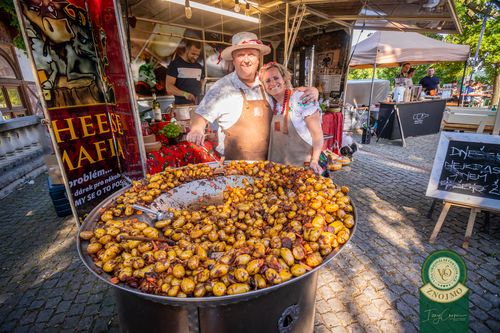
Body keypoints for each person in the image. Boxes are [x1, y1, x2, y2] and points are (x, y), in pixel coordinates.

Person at [186, 31, 318, 160]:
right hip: (236, 167)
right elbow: (202, 114)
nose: (247, 60)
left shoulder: (267, 82)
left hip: (271, 163)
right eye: (241, 55)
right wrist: (197, 129)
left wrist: (311, 90)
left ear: (258, 58)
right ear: (233, 59)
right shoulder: (222, 87)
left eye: (251, 54)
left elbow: (289, 94)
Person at [259, 62, 324, 175]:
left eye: (276, 78)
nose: (273, 83)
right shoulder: (273, 103)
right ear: (264, 85)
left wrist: (315, 160)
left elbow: (317, 134)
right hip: (279, 170)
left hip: (302, 169)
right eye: (268, 81)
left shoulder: (300, 99)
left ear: (284, 78)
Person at [166, 39, 204, 104]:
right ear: (186, 49)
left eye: (197, 55)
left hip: (197, 106)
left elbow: (202, 85)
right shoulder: (175, 64)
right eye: (193, 54)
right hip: (181, 106)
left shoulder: (199, 67)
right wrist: (185, 94)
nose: (195, 57)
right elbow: (169, 87)